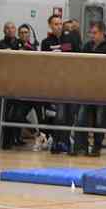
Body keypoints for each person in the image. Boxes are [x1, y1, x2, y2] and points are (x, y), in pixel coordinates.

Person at [71, 21, 106, 157]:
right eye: (91, 33)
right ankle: (81, 146)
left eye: (95, 33)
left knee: (100, 120)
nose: (92, 35)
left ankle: (96, 147)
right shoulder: (87, 46)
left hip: (103, 89)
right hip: (87, 88)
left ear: (102, 33)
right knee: (81, 118)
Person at [41, 14, 81, 153]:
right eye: (55, 24)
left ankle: (65, 141)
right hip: (56, 82)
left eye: (60, 24)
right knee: (59, 115)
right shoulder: (46, 42)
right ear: (50, 26)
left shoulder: (70, 38)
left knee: (70, 114)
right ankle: (56, 141)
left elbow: (75, 53)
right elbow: (47, 61)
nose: (58, 26)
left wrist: (62, 47)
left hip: (71, 80)